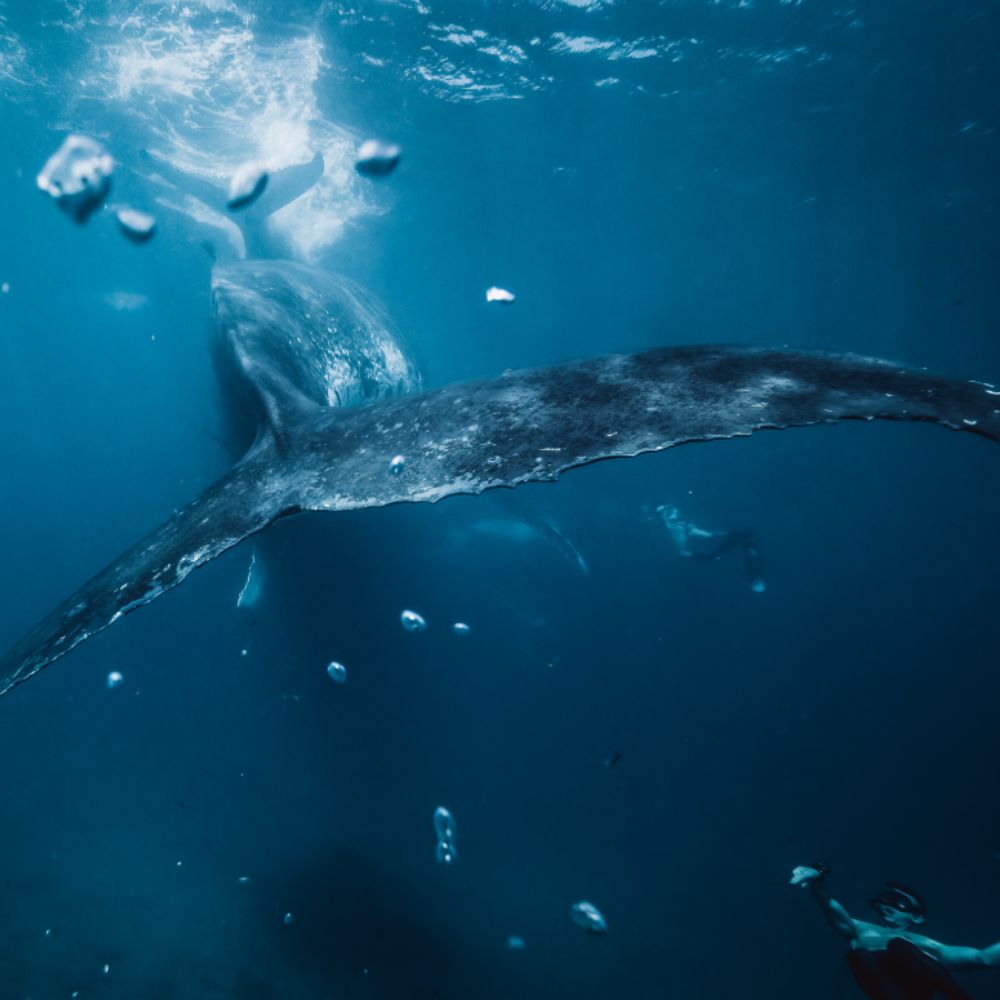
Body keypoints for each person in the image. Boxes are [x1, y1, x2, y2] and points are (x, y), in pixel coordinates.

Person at [791, 864, 1000, 999]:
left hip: (917, 985)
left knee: (899, 946)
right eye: (887, 899)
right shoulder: (860, 930)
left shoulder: (930, 946)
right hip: (887, 990)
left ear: (916, 916)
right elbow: (829, 905)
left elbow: (983, 958)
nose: (890, 905)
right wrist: (818, 877)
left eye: (900, 903)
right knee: (859, 955)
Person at [654, 504, 766, 593]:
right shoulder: (752, 559)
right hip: (729, 541)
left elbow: (745, 547)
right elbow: (745, 549)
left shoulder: (752, 558)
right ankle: (674, 523)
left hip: (729, 541)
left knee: (707, 539)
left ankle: (676, 525)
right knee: (705, 540)